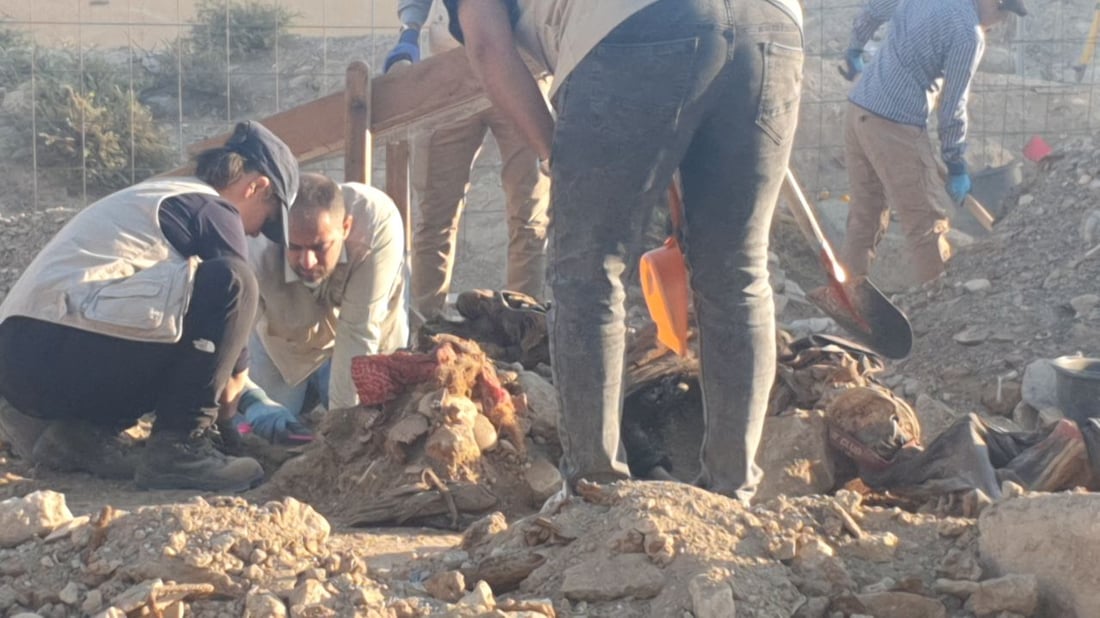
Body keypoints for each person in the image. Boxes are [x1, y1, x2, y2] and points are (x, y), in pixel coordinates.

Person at [444, 0, 804, 504]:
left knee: (588, 272)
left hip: (632, 27)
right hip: (773, 25)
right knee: (738, 270)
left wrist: (554, 153)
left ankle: (596, 490)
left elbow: (486, 44)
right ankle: (732, 491)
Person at [0, 121, 299, 492]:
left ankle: (80, 438)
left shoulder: (162, 197)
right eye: (267, 219)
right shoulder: (214, 210)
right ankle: (181, 451)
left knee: (180, 312)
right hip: (56, 345)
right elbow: (230, 333)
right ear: (256, 187)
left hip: (24, 358)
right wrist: (228, 425)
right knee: (236, 281)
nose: (256, 233)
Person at [384, 0, 550, 322]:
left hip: (522, 69)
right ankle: (426, 324)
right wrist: (409, 30)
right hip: (449, 71)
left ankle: (525, 326)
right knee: (435, 213)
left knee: (529, 214)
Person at [839, 0, 1027, 284]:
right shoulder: (968, 33)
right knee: (926, 223)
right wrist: (956, 164)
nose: (1000, 23)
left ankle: (847, 294)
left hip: (858, 108)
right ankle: (940, 302)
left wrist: (854, 48)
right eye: (1002, 13)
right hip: (894, 121)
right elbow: (952, 106)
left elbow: (874, 10)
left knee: (865, 213)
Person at [236, 173, 409, 440]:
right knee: (263, 433)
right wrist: (253, 400)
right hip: (286, 343)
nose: (307, 261)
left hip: (365, 336)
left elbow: (359, 330)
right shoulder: (255, 246)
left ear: (346, 227)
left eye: (319, 247)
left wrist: (341, 431)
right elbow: (234, 341)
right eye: (294, 247)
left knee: (374, 421)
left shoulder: (376, 225)